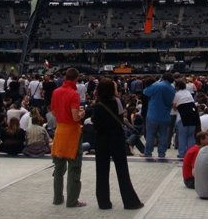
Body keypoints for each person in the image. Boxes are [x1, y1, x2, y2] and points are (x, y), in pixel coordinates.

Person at [91, 78, 143, 210]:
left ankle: (104, 202)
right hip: (116, 138)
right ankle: (130, 202)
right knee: (122, 171)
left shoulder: (97, 105)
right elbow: (121, 117)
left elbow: (95, 124)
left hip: (101, 140)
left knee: (101, 171)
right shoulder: (117, 101)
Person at [50, 68, 86, 208]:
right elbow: (75, 116)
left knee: (58, 168)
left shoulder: (56, 92)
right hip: (72, 133)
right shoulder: (74, 94)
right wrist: (82, 114)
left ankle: (57, 198)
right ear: (76, 79)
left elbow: (53, 111)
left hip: (59, 131)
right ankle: (72, 201)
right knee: (74, 167)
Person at [143, 73, 175, 158]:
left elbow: (145, 92)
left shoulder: (157, 85)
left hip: (153, 115)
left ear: (162, 78)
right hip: (165, 116)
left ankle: (148, 153)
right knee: (163, 136)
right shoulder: (172, 88)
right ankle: (161, 154)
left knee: (150, 135)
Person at [173, 79, 199, 158]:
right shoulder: (188, 93)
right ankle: (190, 154)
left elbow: (174, 107)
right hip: (193, 116)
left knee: (182, 136)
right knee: (191, 136)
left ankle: (182, 154)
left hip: (182, 118)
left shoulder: (177, 94)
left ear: (177, 86)